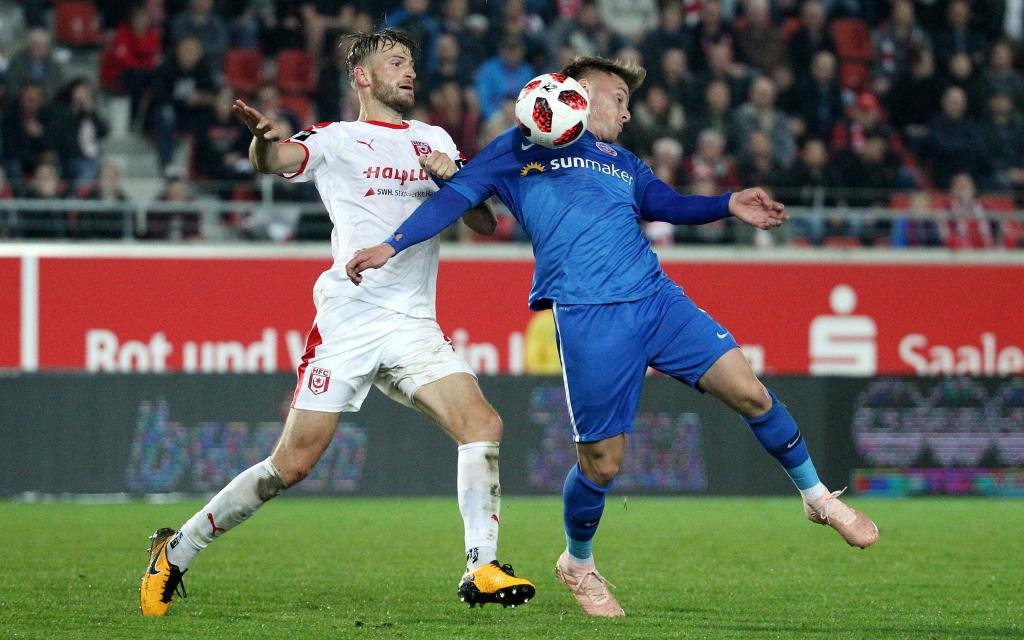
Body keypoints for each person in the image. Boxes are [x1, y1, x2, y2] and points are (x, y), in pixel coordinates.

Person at [346, 55, 880, 618]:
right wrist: (392, 244)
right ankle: (577, 563)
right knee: (602, 464)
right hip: (588, 315)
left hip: (657, 300)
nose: (627, 114)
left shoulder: (623, 161)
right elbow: (456, 200)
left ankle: (818, 499)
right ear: (579, 94)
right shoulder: (518, 148)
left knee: (750, 390)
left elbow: (666, 205)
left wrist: (728, 203)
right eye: (620, 100)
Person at [139, 29, 535, 617]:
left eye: (410, 63)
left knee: (483, 424)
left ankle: (481, 566)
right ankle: (178, 547)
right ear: (362, 77)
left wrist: (452, 174)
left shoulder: (434, 139)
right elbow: (278, 159)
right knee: (290, 466)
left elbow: (480, 222)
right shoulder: (337, 139)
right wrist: (261, 143)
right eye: (394, 63)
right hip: (350, 322)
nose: (408, 72)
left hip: (413, 323)